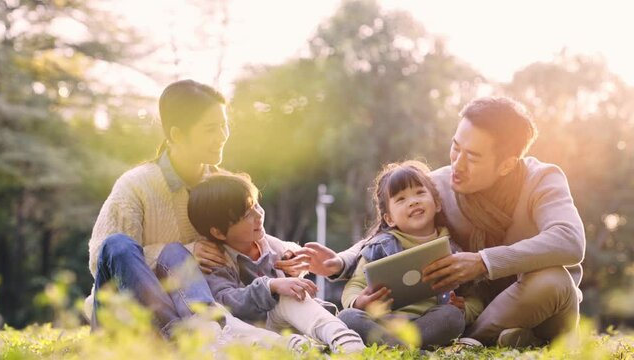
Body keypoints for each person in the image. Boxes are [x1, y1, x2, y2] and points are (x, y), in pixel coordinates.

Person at [296, 96, 586, 347]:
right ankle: (488, 339)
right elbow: (387, 230)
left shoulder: (542, 179)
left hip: (536, 309)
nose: (457, 164)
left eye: (472, 156)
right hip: (466, 310)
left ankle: (473, 338)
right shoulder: (437, 186)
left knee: (554, 279)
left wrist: (483, 262)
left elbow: (569, 241)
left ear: (507, 164)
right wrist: (341, 263)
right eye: (455, 147)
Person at [85, 79, 306, 349]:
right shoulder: (135, 186)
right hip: (131, 318)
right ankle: (180, 337)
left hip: (195, 313)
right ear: (177, 134)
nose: (223, 135)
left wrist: (289, 255)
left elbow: (250, 235)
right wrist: (185, 251)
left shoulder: (222, 185)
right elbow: (102, 259)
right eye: (211, 129)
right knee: (117, 243)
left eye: (224, 125)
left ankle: (195, 339)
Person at [187, 173, 366, 354]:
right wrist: (270, 286)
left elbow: (292, 269)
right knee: (284, 295)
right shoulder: (215, 259)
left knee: (290, 295)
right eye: (247, 214)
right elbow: (226, 302)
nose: (259, 215)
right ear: (219, 233)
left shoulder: (270, 245)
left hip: (289, 323)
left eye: (256, 204)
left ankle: (346, 341)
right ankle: (325, 345)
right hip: (256, 334)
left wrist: (292, 268)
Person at [338, 160, 480, 349]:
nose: (413, 201)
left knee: (452, 317)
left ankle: (392, 348)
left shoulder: (454, 250)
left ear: (437, 203)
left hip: (428, 324)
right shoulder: (378, 247)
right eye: (401, 199)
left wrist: (464, 308)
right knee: (347, 317)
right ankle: (409, 349)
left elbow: (475, 297)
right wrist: (358, 301)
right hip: (384, 323)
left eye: (420, 193)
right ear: (389, 219)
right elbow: (354, 285)